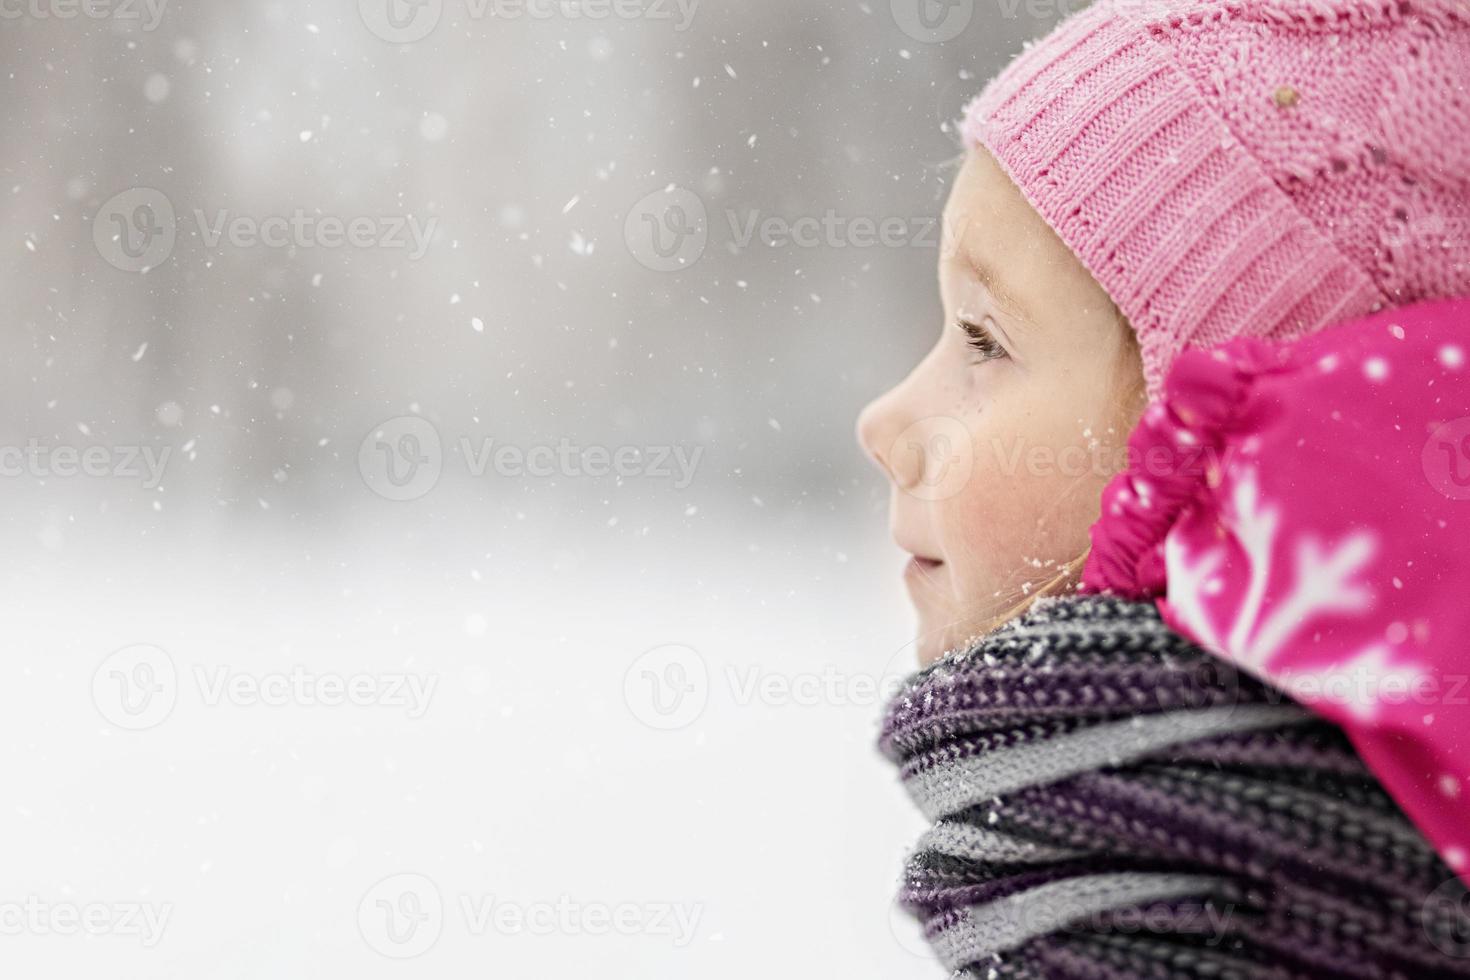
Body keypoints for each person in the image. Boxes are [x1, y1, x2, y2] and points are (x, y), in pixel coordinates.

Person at [857, 0, 1470, 974]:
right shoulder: (1120, 873)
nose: (882, 420)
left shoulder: (1218, 928)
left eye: (985, 340)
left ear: (1233, 453)